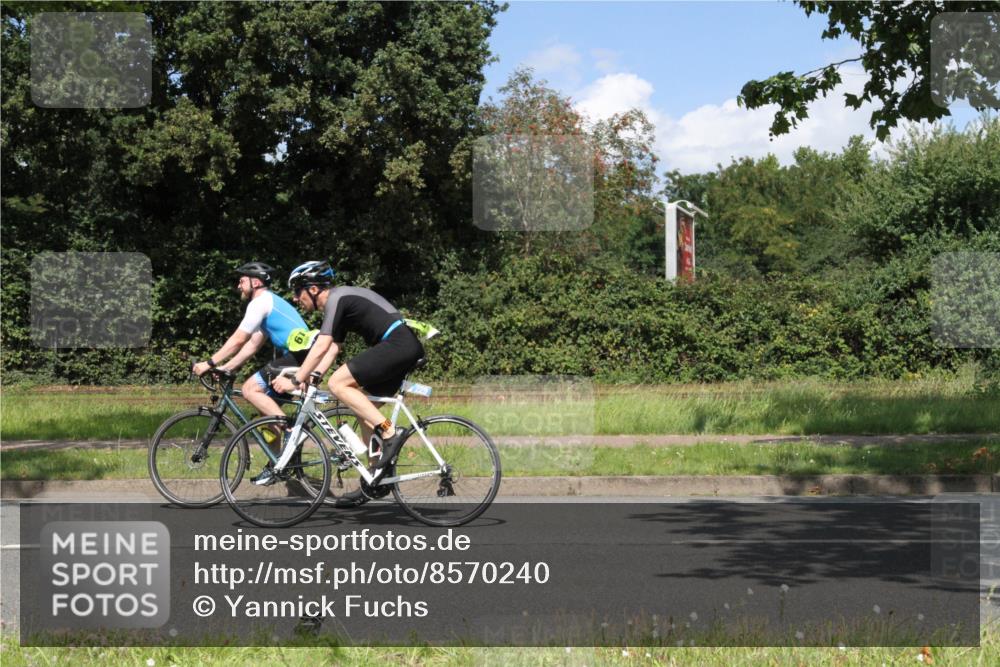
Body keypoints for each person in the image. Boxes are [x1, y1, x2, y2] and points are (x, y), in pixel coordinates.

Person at [271, 261, 425, 503]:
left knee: (338, 384)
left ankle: (390, 432)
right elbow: (333, 348)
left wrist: (296, 379)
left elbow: (322, 344)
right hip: (400, 345)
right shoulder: (338, 303)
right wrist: (312, 377)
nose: (295, 298)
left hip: (398, 344)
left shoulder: (337, 299)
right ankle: (374, 480)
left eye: (298, 292)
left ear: (313, 289)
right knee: (364, 410)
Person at [192, 262, 334, 483]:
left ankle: (291, 433)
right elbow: (251, 345)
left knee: (250, 389)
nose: (238, 285)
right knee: (266, 415)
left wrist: (209, 363)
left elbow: (238, 339)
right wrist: (226, 367)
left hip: (301, 355)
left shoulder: (260, 302)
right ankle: (277, 464)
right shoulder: (268, 304)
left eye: (242, 280)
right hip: (301, 356)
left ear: (256, 282)